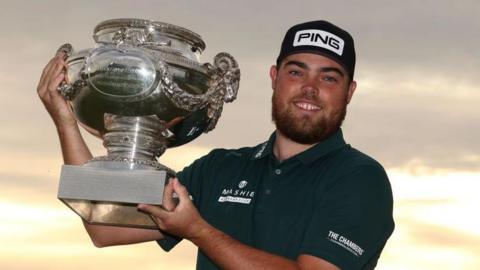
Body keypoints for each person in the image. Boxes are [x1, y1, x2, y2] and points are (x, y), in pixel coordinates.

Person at [38, 20, 394, 270]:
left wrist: (198, 231)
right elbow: (104, 226)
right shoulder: (220, 169)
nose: (309, 88)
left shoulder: (359, 178)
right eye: (296, 71)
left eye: (329, 77)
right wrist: (65, 119)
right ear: (275, 78)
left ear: (349, 92)